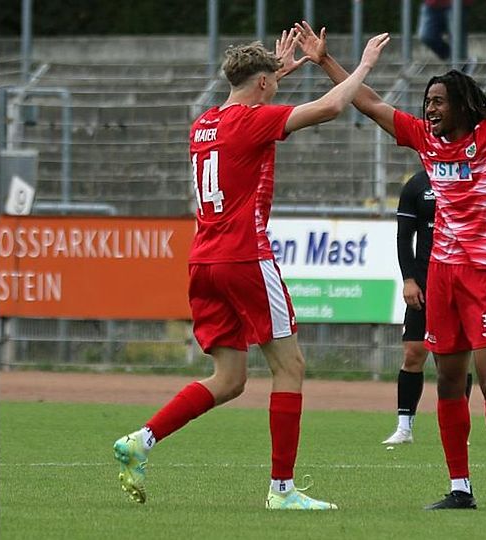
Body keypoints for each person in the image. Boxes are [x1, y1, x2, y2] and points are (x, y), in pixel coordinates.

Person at [111, 29, 390, 511]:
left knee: (230, 377)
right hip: (245, 257)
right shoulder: (252, 121)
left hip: (204, 260)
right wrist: (362, 67)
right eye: (274, 82)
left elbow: (248, 103)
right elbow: (328, 108)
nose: (278, 88)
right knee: (291, 366)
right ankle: (282, 491)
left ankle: (142, 440)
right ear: (262, 84)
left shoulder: (203, 123)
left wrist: (274, 71)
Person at [294, 0, 486, 511]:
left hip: (485, 274)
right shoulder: (425, 143)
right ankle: (460, 487)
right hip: (442, 277)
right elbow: (368, 103)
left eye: (437, 101)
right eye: (426, 102)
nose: (429, 109)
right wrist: (327, 61)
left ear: (460, 103)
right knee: (448, 380)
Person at [382, 169, 473, 446]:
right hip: (424, 283)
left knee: (455, 359)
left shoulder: (470, 178)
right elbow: (403, 237)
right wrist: (409, 279)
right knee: (413, 353)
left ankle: (458, 426)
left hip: (460, 281)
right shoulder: (417, 185)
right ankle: (404, 427)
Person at [418, 0, 475, 70]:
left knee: (456, 39)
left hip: (457, 4)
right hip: (432, 4)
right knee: (426, 36)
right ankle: (457, 60)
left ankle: (461, 66)